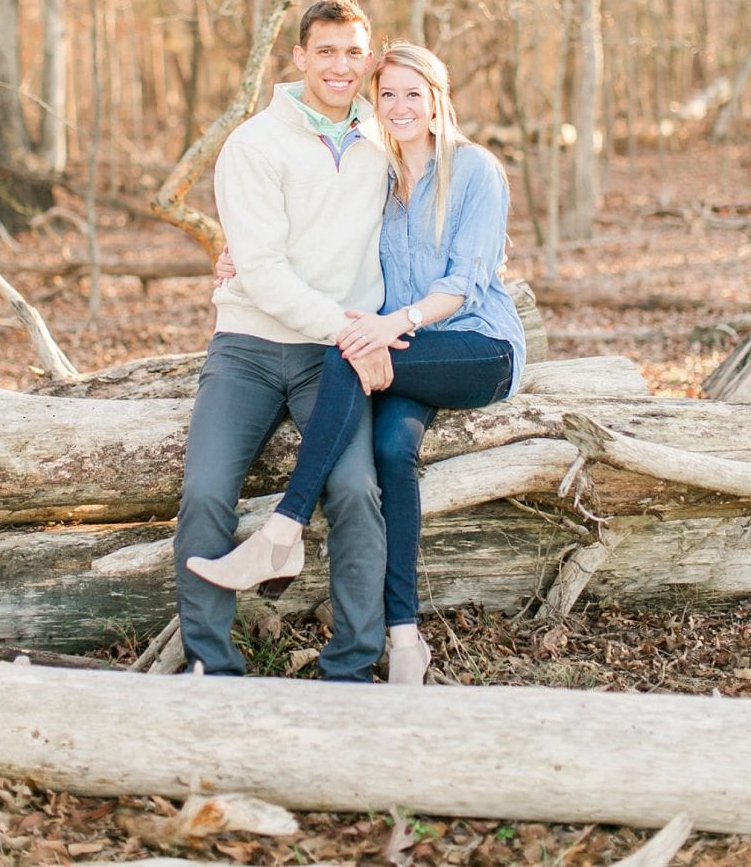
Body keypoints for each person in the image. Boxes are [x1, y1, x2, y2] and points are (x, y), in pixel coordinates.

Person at [188, 42, 526, 686]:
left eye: (412, 94)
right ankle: (404, 638)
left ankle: (282, 530)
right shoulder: (381, 167)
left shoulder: (474, 169)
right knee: (393, 456)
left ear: (436, 100)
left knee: (346, 356)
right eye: (388, 94)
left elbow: (465, 286)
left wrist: (381, 330)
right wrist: (242, 252)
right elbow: (317, 227)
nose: (398, 107)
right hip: (402, 356)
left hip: (476, 347)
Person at [173, 0, 390, 682]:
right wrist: (352, 329)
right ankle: (213, 663)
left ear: (368, 57)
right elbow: (261, 273)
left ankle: (351, 666)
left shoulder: (387, 141)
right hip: (250, 347)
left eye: (353, 51)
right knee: (207, 491)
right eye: (325, 50)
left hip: (332, 355)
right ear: (299, 56)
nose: (340, 65)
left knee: (357, 490)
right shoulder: (254, 144)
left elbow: (429, 220)